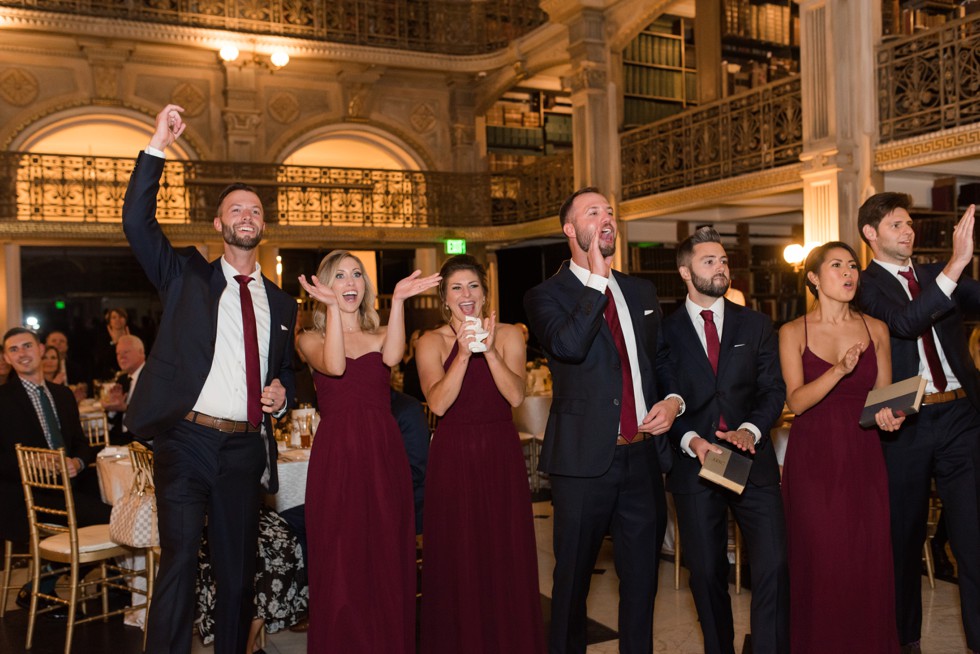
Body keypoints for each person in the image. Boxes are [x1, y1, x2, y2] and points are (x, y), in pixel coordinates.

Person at [122, 104, 297, 654]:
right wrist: (158, 144)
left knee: (237, 574)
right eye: (235, 209)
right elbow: (136, 224)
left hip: (245, 449)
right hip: (188, 440)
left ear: (262, 225)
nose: (246, 214)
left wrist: (283, 393)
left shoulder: (281, 302)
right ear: (219, 225)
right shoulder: (186, 276)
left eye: (255, 209)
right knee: (178, 567)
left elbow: (284, 369)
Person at [523, 187, 683, 654]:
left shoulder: (640, 290)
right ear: (570, 230)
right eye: (593, 212)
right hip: (582, 462)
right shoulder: (544, 295)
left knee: (641, 583)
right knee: (571, 581)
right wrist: (595, 281)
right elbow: (569, 346)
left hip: (643, 459)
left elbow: (661, 359)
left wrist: (673, 401)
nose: (607, 217)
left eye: (610, 211)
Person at [296, 249, 439, 653]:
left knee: (386, 556)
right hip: (337, 455)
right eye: (340, 276)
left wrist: (397, 303)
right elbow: (337, 366)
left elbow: (393, 356)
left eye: (357, 275)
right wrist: (331, 314)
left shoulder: (379, 335)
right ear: (325, 285)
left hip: (382, 452)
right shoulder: (310, 339)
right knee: (340, 559)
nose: (351, 283)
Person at [857, 193, 980, 654]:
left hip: (962, 416)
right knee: (903, 541)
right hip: (904, 422)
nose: (908, 231)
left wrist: (957, 267)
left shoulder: (934, 275)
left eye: (910, 224)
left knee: (972, 538)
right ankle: (905, 641)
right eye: (896, 225)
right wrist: (957, 262)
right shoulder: (864, 285)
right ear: (870, 233)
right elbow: (906, 322)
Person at [661, 227, 788, 654]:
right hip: (696, 464)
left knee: (772, 565)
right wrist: (692, 440)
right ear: (685, 271)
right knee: (707, 571)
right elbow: (662, 395)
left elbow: (773, 389)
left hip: (751, 460)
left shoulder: (755, 324)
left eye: (724, 261)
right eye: (709, 261)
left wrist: (750, 430)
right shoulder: (664, 330)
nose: (721, 268)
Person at [416, 254, 544, 654]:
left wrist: (487, 351)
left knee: (503, 551)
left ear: (485, 294)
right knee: (457, 553)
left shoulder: (508, 336)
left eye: (473, 286)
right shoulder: (430, 343)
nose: (466, 294)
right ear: (445, 298)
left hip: (499, 452)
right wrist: (464, 351)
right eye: (456, 288)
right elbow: (437, 404)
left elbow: (516, 394)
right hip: (452, 454)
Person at [779, 241, 902, 653]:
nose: (849, 273)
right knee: (822, 561)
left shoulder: (876, 329)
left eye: (852, 266)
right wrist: (838, 371)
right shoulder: (793, 331)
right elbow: (796, 402)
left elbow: (882, 399)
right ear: (813, 277)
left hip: (864, 457)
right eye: (837, 266)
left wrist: (891, 415)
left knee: (865, 560)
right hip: (813, 461)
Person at [0, 327, 110, 615]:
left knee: (118, 514)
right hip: (24, 497)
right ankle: (46, 583)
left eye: (27, 346)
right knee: (113, 520)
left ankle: (44, 582)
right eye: (14, 350)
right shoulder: (3, 399)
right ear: (6, 358)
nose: (22, 353)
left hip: (69, 490)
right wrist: (32, 464)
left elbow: (82, 445)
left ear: (40, 349)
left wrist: (78, 462)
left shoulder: (62, 395)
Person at [195, 504, 308, 652]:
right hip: (209, 515)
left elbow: (270, 486)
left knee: (281, 543)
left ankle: (248, 640)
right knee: (260, 552)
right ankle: (246, 644)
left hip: (249, 509)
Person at [102, 334, 147, 446]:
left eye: (126, 352)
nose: (121, 357)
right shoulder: (122, 379)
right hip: (120, 441)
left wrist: (125, 408)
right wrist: (112, 409)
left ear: (141, 352)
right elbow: (111, 424)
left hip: (143, 442)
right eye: (118, 353)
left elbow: (153, 411)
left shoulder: (151, 378)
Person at [94, 307, 131, 380]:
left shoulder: (133, 335)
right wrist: (114, 342)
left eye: (121, 317)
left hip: (130, 374)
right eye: (114, 317)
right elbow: (102, 360)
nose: (118, 320)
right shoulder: (103, 337)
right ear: (109, 321)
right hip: (110, 377)